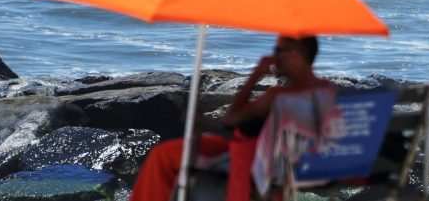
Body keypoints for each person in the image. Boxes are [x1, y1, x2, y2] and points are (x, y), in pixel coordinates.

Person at [130, 35, 330, 201]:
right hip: (279, 161)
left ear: (295, 55)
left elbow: (231, 120)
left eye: (278, 52)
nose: (273, 57)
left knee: (162, 155)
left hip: (249, 156)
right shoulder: (326, 91)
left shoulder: (278, 95)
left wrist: (256, 75)